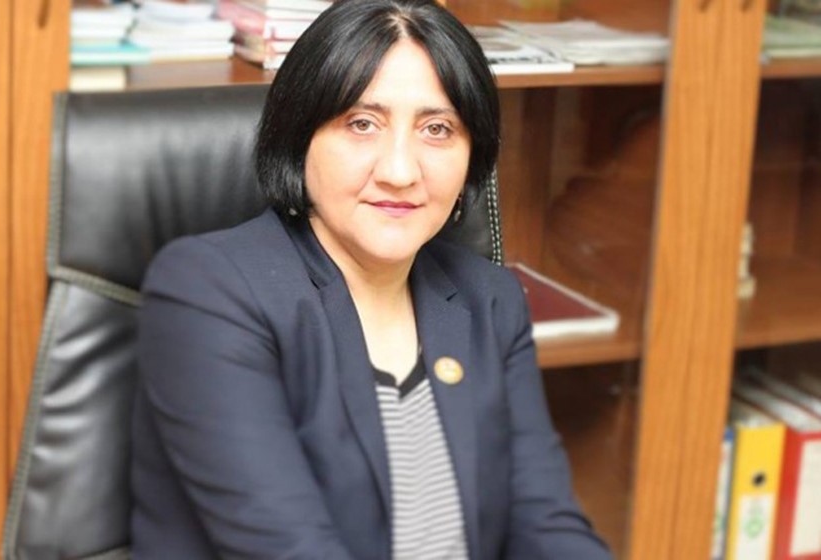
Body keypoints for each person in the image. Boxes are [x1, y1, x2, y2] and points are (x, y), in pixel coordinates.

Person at [130, 0, 612, 558]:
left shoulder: (491, 300)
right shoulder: (209, 291)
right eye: (362, 124)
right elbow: (289, 549)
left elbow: (547, 525)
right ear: (300, 135)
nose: (400, 172)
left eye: (437, 129)